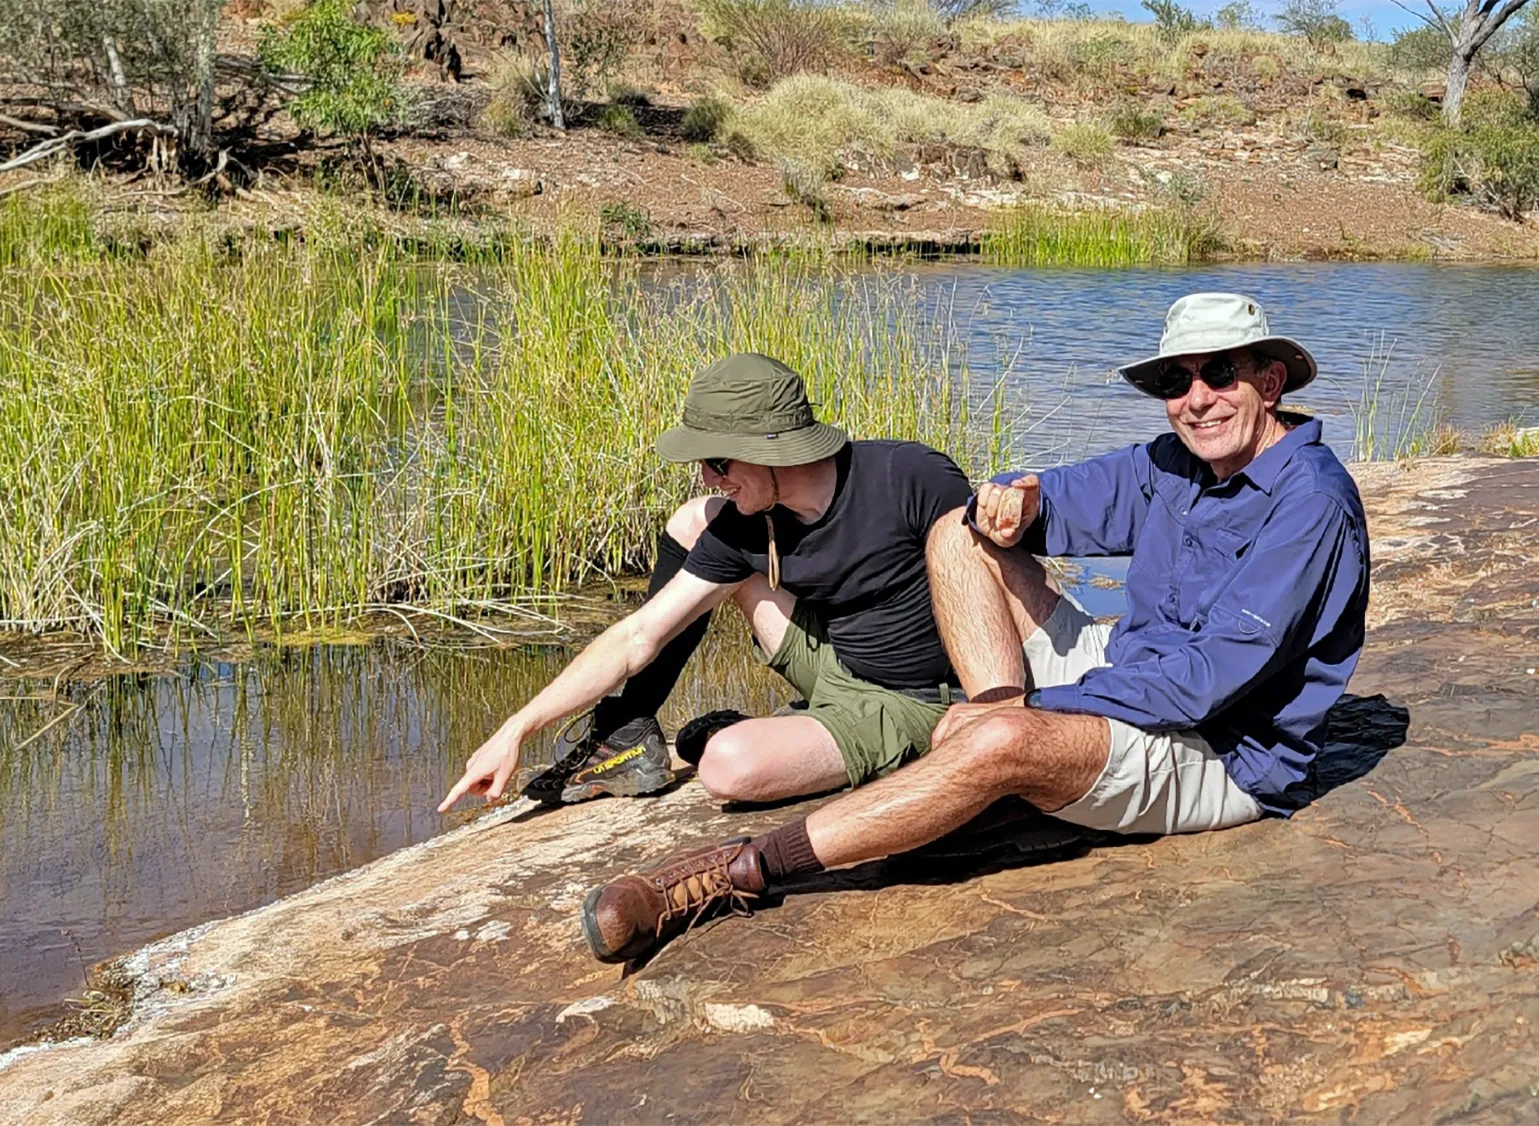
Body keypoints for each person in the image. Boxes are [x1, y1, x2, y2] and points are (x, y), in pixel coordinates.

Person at [580, 292, 1372, 965]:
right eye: (1175, 378)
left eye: (1219, 373)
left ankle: (732, 874)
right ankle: (998, 752)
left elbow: (1205, 684)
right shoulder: (1176, 462)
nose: (1196, 397)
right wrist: (1020, 504)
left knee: (999, 741)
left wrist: (1025, 719)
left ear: (1268, 382)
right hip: (1136, 670)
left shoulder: (1309, 504)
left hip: (1223, 749)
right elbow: (1059, 498)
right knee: (956, 534)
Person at [438, 352, 971, 814]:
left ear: (773, 447)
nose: (709, 478)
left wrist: (1002, 712)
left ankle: (807, 735)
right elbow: (636, 637)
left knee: (726, 764)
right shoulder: (748, 523)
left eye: (718, 461)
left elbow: (997, 585)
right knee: (698, 522)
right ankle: (629, 727)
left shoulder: (910, 478)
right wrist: (515, 729)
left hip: (917, 701)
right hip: (836, 666)